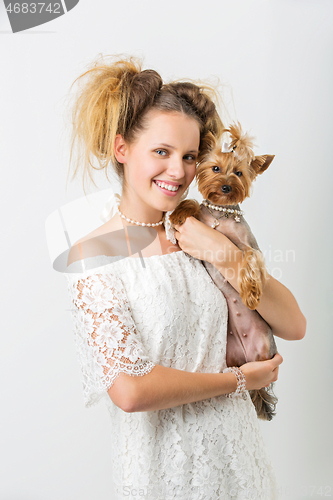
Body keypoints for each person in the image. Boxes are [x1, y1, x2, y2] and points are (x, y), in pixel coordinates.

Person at [64, 55, 306, 499]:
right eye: (161, 151)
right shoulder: (93, 255)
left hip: (240, 463)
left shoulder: (202, 230)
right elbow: (131, 391)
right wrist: (240, 381)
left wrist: (221, 252)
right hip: (164, 474)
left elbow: (294, 325)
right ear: (122, 149)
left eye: (190, 156)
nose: (178, 171)